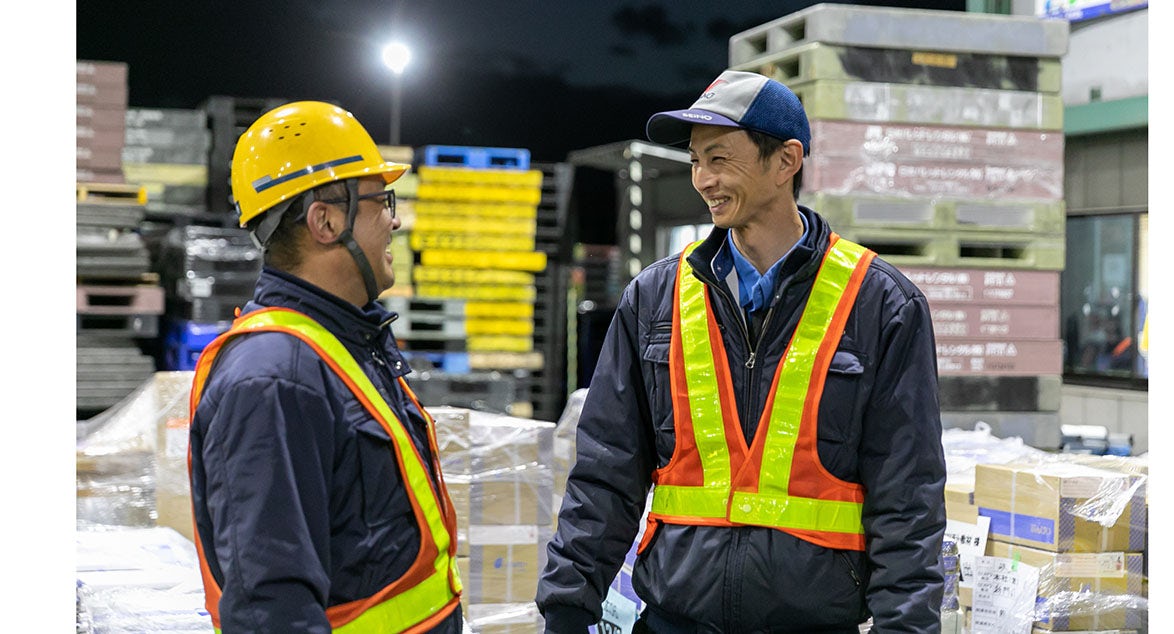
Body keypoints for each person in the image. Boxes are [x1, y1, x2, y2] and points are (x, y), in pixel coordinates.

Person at [537, 70, 947, 632]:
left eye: (720, 159)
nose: (702, 179)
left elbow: (908, 499)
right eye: (695, 161)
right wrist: (567, 604)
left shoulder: (881, 305)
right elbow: (606, 471)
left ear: (786, 162)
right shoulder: (655, 299)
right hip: (673, 621)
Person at [187, 101, 463, 633]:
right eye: (381, 200)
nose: (395, 219)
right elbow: (272, 610)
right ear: (326, 220)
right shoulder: (273, 377)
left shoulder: (342, 346)